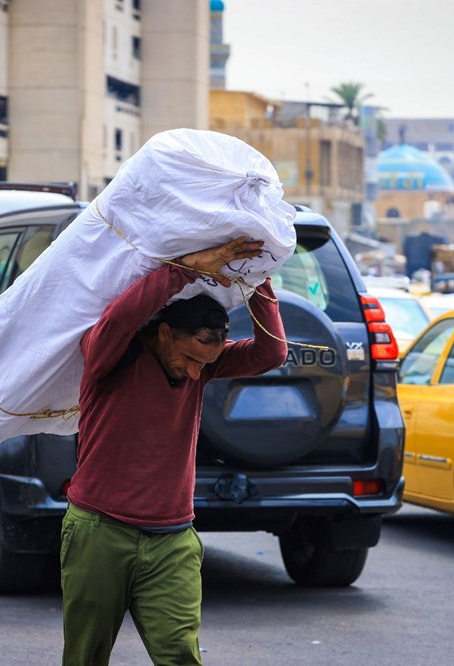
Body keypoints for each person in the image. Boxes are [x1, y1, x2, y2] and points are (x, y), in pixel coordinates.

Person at [61, 237, 288, 665]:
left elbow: (271, 351)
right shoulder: (108, 356)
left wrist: (257, 281)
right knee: (85, 657)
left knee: (181, 656)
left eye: (206, 363)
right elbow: (119, 317)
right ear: (164, 334)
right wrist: (185, 268)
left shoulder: (203, 365)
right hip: (99, 532)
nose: (195, 372)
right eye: (189, 358)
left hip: (173, 539)